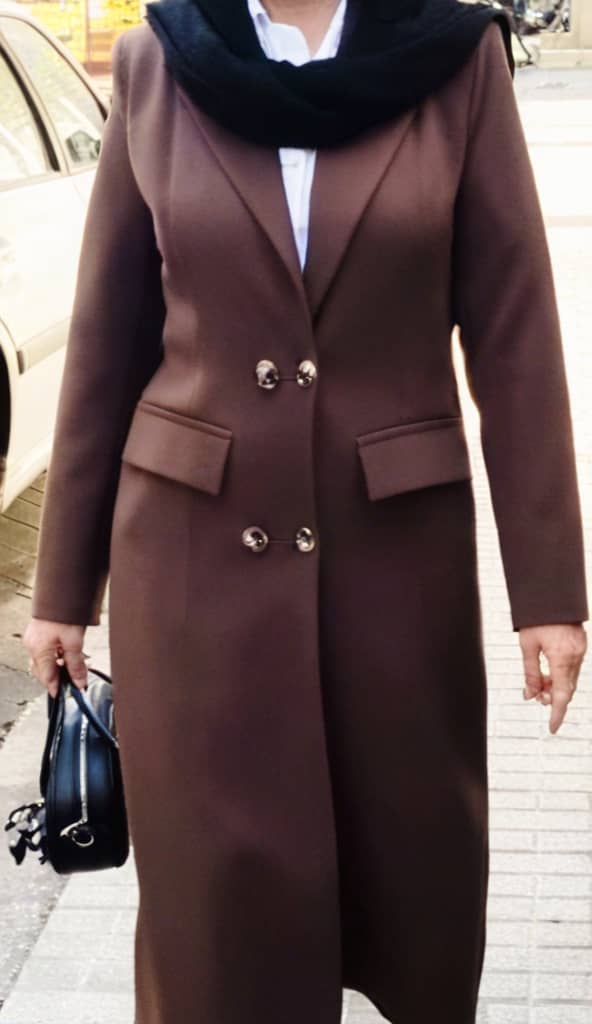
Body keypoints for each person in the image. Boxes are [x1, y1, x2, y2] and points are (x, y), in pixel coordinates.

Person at [23, 1, 588, 1022]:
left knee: (412, 878)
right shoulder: (159, 63)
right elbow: (108, 342)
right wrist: (62, 588)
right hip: (192, 572)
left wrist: (548, 592)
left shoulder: (454, 62)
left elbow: (515, 334)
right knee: (212, 927)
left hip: (395, 571)